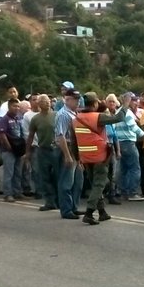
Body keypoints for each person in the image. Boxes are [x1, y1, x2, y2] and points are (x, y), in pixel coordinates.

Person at [73, 92, 127, 225]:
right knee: (100, 184)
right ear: (95, 104)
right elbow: (118, 117)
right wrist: (125, 104)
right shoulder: (98, 117)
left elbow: (74, 142)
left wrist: (77, 158)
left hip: (85, 157)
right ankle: (89, 212)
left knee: (96, 184)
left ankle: (102, 212)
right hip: (99, 157)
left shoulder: (76, 119)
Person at [55, 88, 84, 220]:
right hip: (68, 148)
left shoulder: (74, 113)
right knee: (67, 181)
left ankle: (74, 207)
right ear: (67, 100)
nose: (77, 102)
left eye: (78, 99)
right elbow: (60, 136)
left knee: (78, 181)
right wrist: (67, 155)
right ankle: (66, 209)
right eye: (75, 99)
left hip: (76, 149)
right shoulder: (63, 114)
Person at [26, 94, 58, 212]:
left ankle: (59, 201)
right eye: (44, 101)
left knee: (57, 176)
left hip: (55, 149)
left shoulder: (57, 115)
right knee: (45, 177)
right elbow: (30, 136)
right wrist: (27, 152)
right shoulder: (36, 119)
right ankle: (49, 202)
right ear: (39, 104)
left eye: (48, 101)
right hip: (42, 150)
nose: (47, 103)